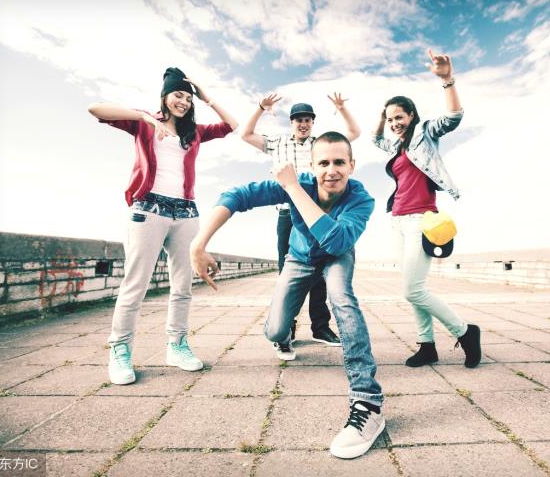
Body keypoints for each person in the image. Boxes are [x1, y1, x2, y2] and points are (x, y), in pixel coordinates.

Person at [190, 131, 385, 459]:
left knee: (341, 296)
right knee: (276, 330)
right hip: (299, 258)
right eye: (323, 163)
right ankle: (282, 333)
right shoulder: (302, 183)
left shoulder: (360, 199)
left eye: (339, 162)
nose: (331, 170)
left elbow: (337, 241)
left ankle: (368, 401)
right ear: (313, 166)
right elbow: (237, 195)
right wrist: (199, 244)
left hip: (337, 255)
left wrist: (293, 188)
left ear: (352, 166)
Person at [88, 67, 238, 385]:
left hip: (186, 212)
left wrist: (206, 96)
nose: (183, 102)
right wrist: (144, 117)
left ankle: (177, 345)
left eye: (188, 98)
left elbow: (231, 126)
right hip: (148, 208)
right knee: (135, 285)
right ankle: (120, 350)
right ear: (165, 96)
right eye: (178, 95)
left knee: (182, 287)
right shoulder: (144, 123)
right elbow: (95, 109)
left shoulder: (193, 133)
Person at [372, 49, 482, 368]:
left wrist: (447, 80)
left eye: (399, 117)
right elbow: (375, 139)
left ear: (411, 116)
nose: (394, 123)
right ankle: (426, 345)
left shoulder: (424, 134)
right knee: (414, 287)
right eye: (391, 119)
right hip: (397, 220)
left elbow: (453, 118)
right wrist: (381, 116)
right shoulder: (396, 145)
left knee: (412, 289)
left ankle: (465, 332)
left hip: (422, 219)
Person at [240, 92, 362, 347]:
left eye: (307, 120)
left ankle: (320, 327)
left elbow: (354, 133)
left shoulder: (321, 145)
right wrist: (261, 108)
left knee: (321, 270)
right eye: (299, 120)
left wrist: (341, 108)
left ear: (312, 122)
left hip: (320, 214)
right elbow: (246, 135)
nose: (303, 124)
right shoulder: (278, 143)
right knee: (288, 270)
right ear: (292, 122)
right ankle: (287, 328)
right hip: (288, 213)